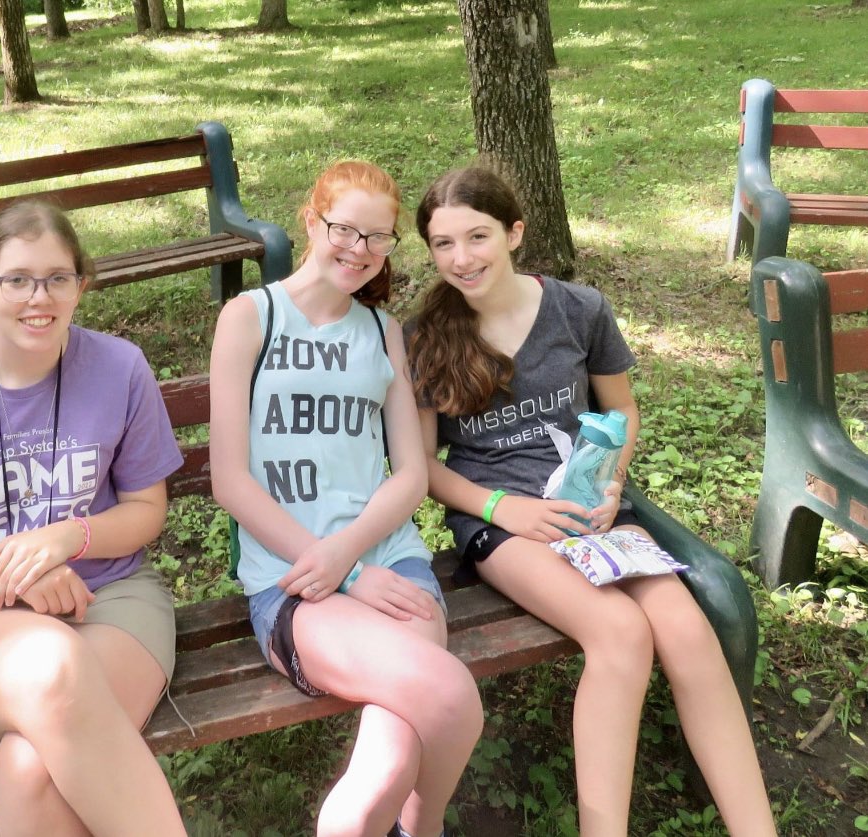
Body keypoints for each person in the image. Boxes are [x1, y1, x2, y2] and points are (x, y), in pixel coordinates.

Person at [406, 165, 777, 836]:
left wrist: (611, 483)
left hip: (595, 510)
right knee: (620, 634)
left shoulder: (580, 309)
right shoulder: (426, 336)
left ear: (515, 232)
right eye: (442, 243)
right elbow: (423, 469)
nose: (461, 258)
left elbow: (622, 410)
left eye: (478, 236)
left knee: (691, 632)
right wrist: (501, 510)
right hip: (504, 525)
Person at [0, 201, 188, 837]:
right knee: (50, 664)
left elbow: (145, 511)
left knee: (29, 767)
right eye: (16, 279)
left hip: (112, 598)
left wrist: (67, 537)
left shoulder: (120, 369)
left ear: (82, 285)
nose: (37, 297)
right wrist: (21, 571)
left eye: (57, 277)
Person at [209, 161, 484, 837]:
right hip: (294, 579)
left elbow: (410, 475)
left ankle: (412, 828)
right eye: (345, 230)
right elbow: (230, 479)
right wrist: (338, 568)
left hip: (390, 562)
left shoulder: (382, 332)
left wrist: (358, 558)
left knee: (379, 781)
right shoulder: (250, 317)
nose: (359, 250)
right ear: (311, 220)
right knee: (447, 693)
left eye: (378, 238)